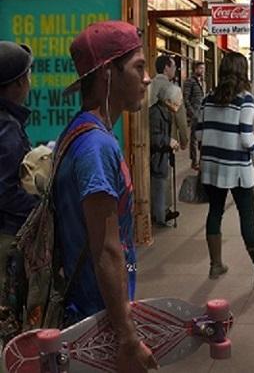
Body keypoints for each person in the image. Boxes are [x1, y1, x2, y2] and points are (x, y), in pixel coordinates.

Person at [53, 21, 157, 371]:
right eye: (139, 67)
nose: (147, 78)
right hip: (95, 325)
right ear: (107, 74)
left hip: (92, 316)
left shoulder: (80, 132)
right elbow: (106, 250)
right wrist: (127, 338)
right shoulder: (96, 147)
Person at [196, 52, 254, 290]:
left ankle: (215, 264)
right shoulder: (245, 100)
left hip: (212, 167)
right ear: (243, 72)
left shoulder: (208, 99)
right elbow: (247, 138)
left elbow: (198, 133)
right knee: (248, 218)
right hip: (237, 169)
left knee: (214, 213)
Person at [0, 42, 39, 288]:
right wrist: (41, 206)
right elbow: (5, 190)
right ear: (18, 83)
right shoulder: (7, 127)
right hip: (8, 234)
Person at [149, 85, 182, 227]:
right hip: (157, 157)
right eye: (177, 102)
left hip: (162, 156)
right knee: (159, 187)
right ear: (168, 101)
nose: (179, 104)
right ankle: (160, 217)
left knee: (162, 185)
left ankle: (163, 213)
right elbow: (153, 137)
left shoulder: (165, 112)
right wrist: (168, 141)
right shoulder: (156, 113)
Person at [183, 62, 205, 169]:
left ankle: (201, 160)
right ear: (195, 69)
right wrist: (192, 113)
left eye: (203, 68)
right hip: (195, 113)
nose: (202, 70)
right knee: (194, 138)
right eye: (200, 68)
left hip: (202, 113)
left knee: (201, 137)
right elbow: (185, 99)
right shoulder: (190, 81)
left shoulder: (202, 82)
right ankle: (194, 161)